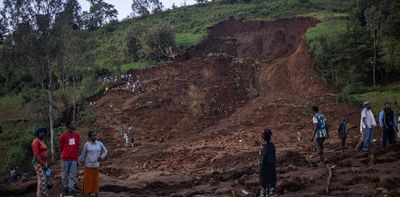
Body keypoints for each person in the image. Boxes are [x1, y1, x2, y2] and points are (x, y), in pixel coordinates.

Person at [79, 131, 108, 197]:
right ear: (89, 137)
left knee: (95, 180)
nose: (95, 137)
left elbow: (105, 151)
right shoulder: (87, 144)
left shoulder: (99, 143)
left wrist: (101, 157)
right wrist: (80, 161)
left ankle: (96, 193)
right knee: (88, 180)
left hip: (96, 165)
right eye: (93, 135)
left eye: (95, 135)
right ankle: (88, 192)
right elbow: (83, 154)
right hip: (88, 165)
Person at [58, 121, 80, 195]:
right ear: (68, 127)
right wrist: (64, 152)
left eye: (73, 124)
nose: (73, 125)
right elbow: (60, 145)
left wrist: (76, 157)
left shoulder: (76, 135)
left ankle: (71, 188)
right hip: (65, 158)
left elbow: (77, 146)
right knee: (64, 173)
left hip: (74, 158)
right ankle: (66, 187)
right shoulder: (63, 136)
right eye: (72, 124)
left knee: (72, 174)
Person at [32, 127, 49, 197]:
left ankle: (39, 195)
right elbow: (36, 155)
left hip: (43, 162)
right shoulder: (35, 141)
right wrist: (43, 164)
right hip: (38, 163)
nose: (43, 134)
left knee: (41, 180)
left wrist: (46, 163)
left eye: (43, 132)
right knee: (43, 180)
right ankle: (44, 195)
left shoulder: (41, 141)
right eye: (41, 132)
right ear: (38, 133)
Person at [259, 129, 277, 197]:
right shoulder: (271, 147)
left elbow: (263, 162)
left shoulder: (264, 148)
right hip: (270, 174)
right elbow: (271, 161)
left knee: (264, 191)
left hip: (264, 174)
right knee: (271, 191)